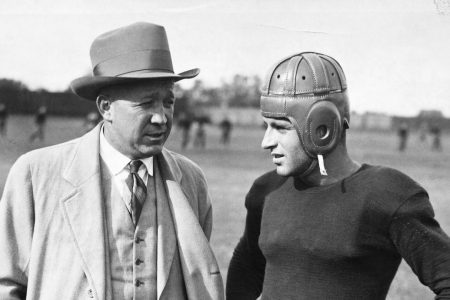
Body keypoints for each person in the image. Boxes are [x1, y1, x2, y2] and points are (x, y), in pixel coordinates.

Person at [0, 22, 224, 300]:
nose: (161, 117)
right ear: (106, 107)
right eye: (146, 104)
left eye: (168, 102)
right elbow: (7, 286)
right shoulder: (35, 174)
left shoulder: (191, 180)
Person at [226, 52, 450, 299]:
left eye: (280, 127)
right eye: (266, 126)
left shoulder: (385, 195)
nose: (266, 142)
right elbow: (247, 267)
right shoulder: (266, 190)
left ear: (321, 127)